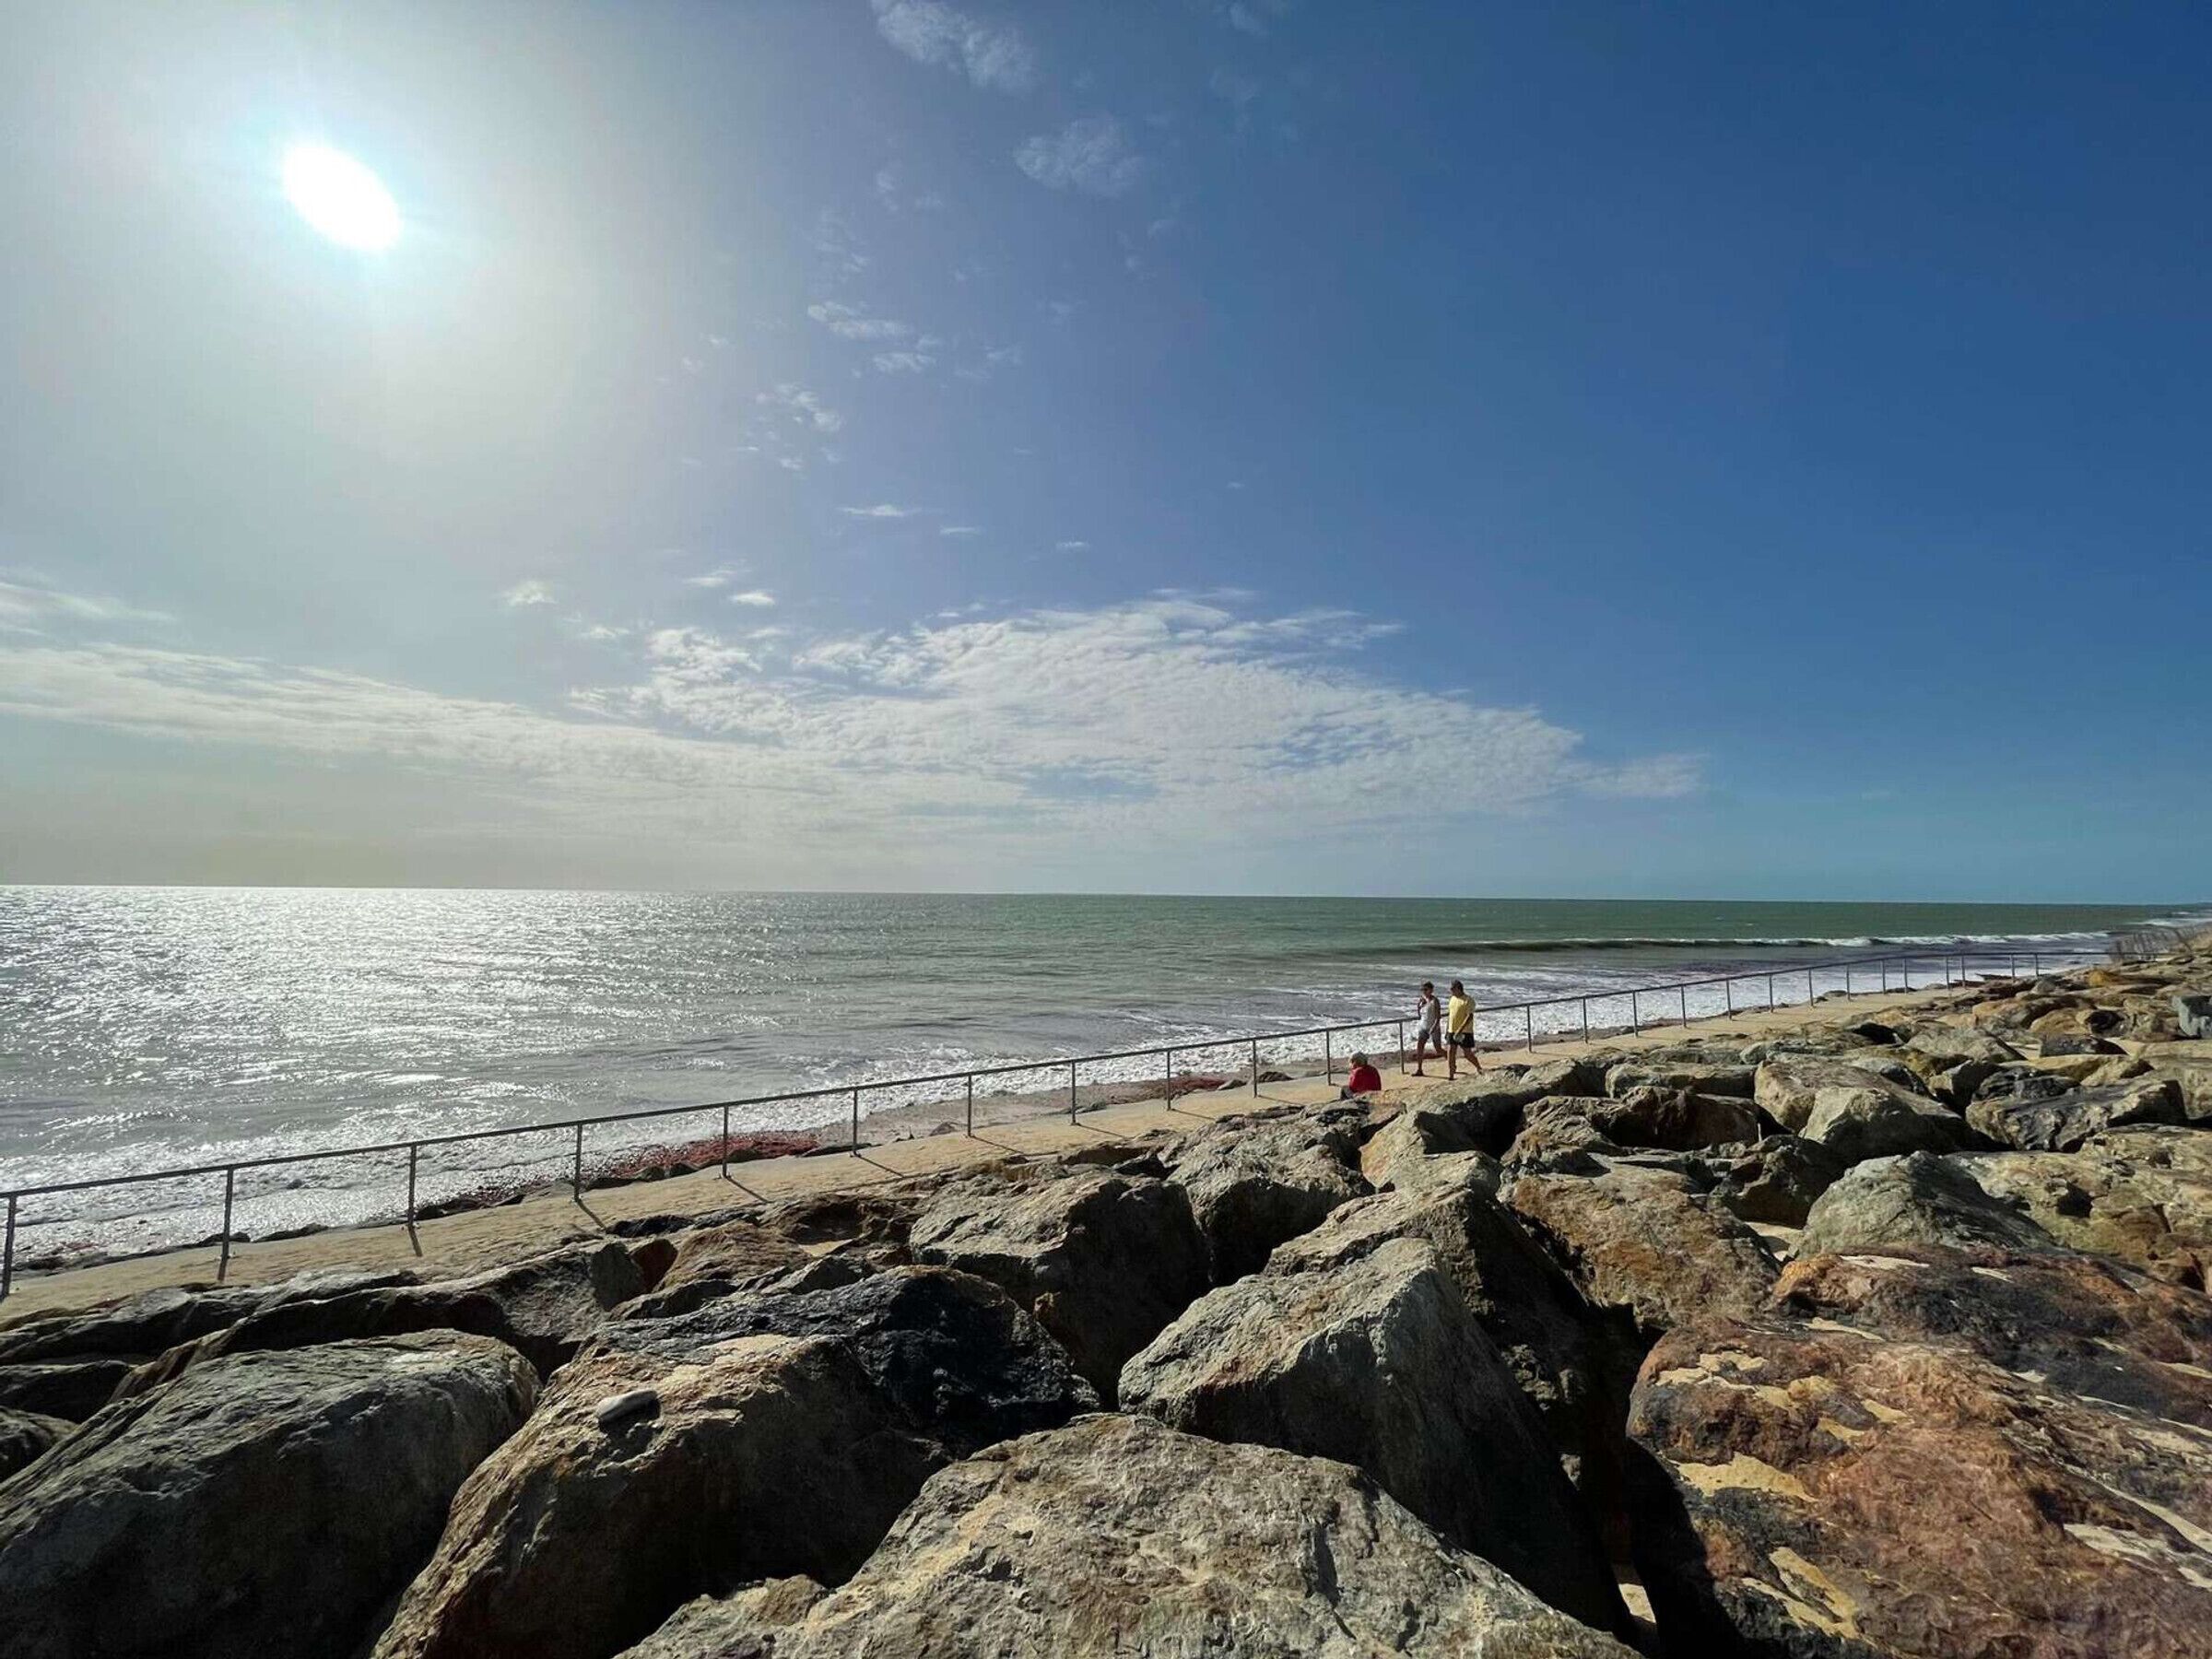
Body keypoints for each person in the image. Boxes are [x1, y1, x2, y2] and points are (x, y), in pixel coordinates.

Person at [1445, 979, 1482, 1077]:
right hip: (1451, 1030)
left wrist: (1460, 1029)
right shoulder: (1452, 999)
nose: (1451, 991)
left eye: (1452, 989)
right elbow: (1450, 1015)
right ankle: (1451, 1073)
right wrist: (1447, 1030)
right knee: (1450, 1052)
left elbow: (1469, 1016)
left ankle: (1479, 1067)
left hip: (1465, 1031)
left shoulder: (1468, 1000)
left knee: (1467, 1054)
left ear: (1458, 988)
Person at [1409, 981, 1443, 1076]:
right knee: (1420, 1047)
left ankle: (1451, 1060)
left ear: (1431, 990)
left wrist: (1433, 1028)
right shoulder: (1422, 1000)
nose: (1424, 991)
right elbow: (1420, 1014)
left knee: (1438, 1049)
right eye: (1422, 990)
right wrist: (1419, 1005)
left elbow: (1438, 1017)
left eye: (1425, 989)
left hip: (1434, 1027)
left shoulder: (1434, 1001)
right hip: (1423, 1026)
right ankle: (1419, 1069)